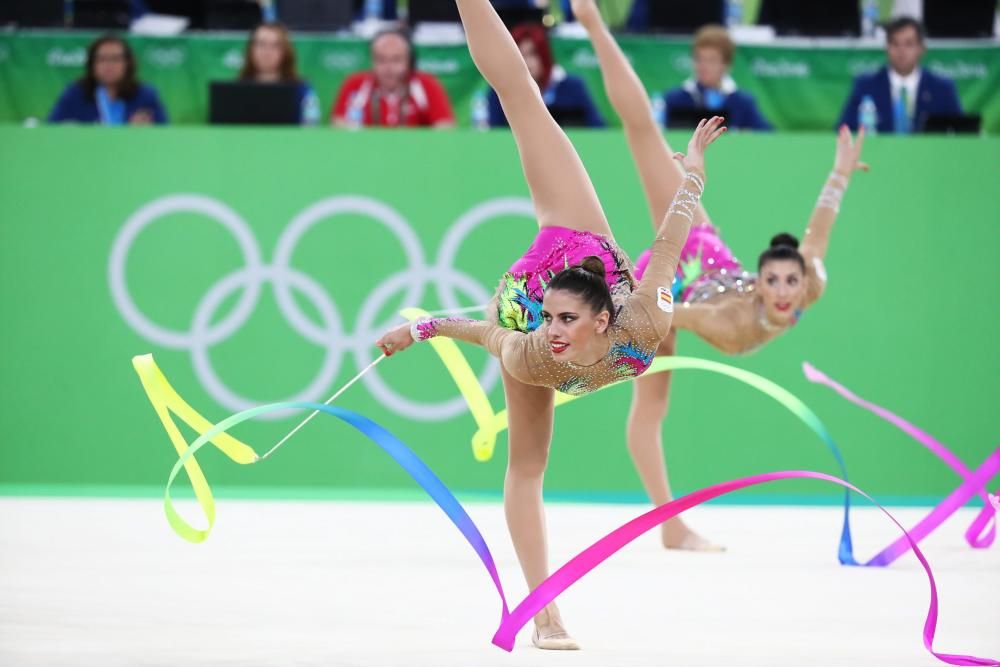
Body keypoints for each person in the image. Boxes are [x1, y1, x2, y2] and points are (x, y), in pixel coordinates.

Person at [375, 0, 726, 650]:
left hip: (586, 253)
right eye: (554, 324)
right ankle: (546, 611)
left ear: (603, 319)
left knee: (527, 101)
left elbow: (675, 235)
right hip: (524, 289)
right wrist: (420, 330)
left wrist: (696, 170)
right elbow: (489, 334)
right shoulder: (536, 344)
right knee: (523, 98)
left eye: (567, 323)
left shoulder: (644, 318)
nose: (556, 331)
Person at [569, 0, 868, 550]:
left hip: (698, 279)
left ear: (804, 284)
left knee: (651, 407)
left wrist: (839, 174)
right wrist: (612, 312)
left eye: (790, 283)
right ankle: (590, 20)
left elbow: (818, 233)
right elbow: (669, 310)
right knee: (647, 139)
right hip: (684, 280)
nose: (782, 292)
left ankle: (669, 527)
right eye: (773, 280)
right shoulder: (733, 316)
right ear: (760, 278)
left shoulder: (801, 285)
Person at [837, 16, 962, 133]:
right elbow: (843, 130)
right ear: (886, 48)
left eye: (908, 44)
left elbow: (961, 134)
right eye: (895, 44)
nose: (901, 51)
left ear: (922, 49)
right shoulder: (866, 85)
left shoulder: (942, 88)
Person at [331, 26, 455, 128]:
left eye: (396, 60)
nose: (388, 68)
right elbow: (338, 125)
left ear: (409, 60)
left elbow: (445, 127)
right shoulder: (354, 84)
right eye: (381, 59)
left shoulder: (427, 84)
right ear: (372, 60)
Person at [487, 23, 605, 129]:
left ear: (544, 56)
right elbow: (494, 136)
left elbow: (598, 130)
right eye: (520, 55)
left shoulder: (573, 87)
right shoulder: (500, 92)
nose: (526, 62)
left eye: (532, 54)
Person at [662, 25, 772, 131]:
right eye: (699, 59)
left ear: (726, 64)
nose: (703, 66)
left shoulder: (742, 102)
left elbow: (768, 136)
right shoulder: (674, 99)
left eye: (712, 60)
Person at [48, 34, 167, 125]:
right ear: (92, 64)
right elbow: (51, 128)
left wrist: (147, 130)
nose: (109, 65)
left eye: (115, 59)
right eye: (102, 59)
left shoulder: (145, 94)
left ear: (128, 63)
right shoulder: (75, 93)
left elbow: (164, 133)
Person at [238, 22, 320, 125]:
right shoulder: (235, 89)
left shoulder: (302, 90)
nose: (267, 52)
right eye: (261, 44)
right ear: (250, 49)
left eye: (275, 46)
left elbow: (311, 125)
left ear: (285, 51)